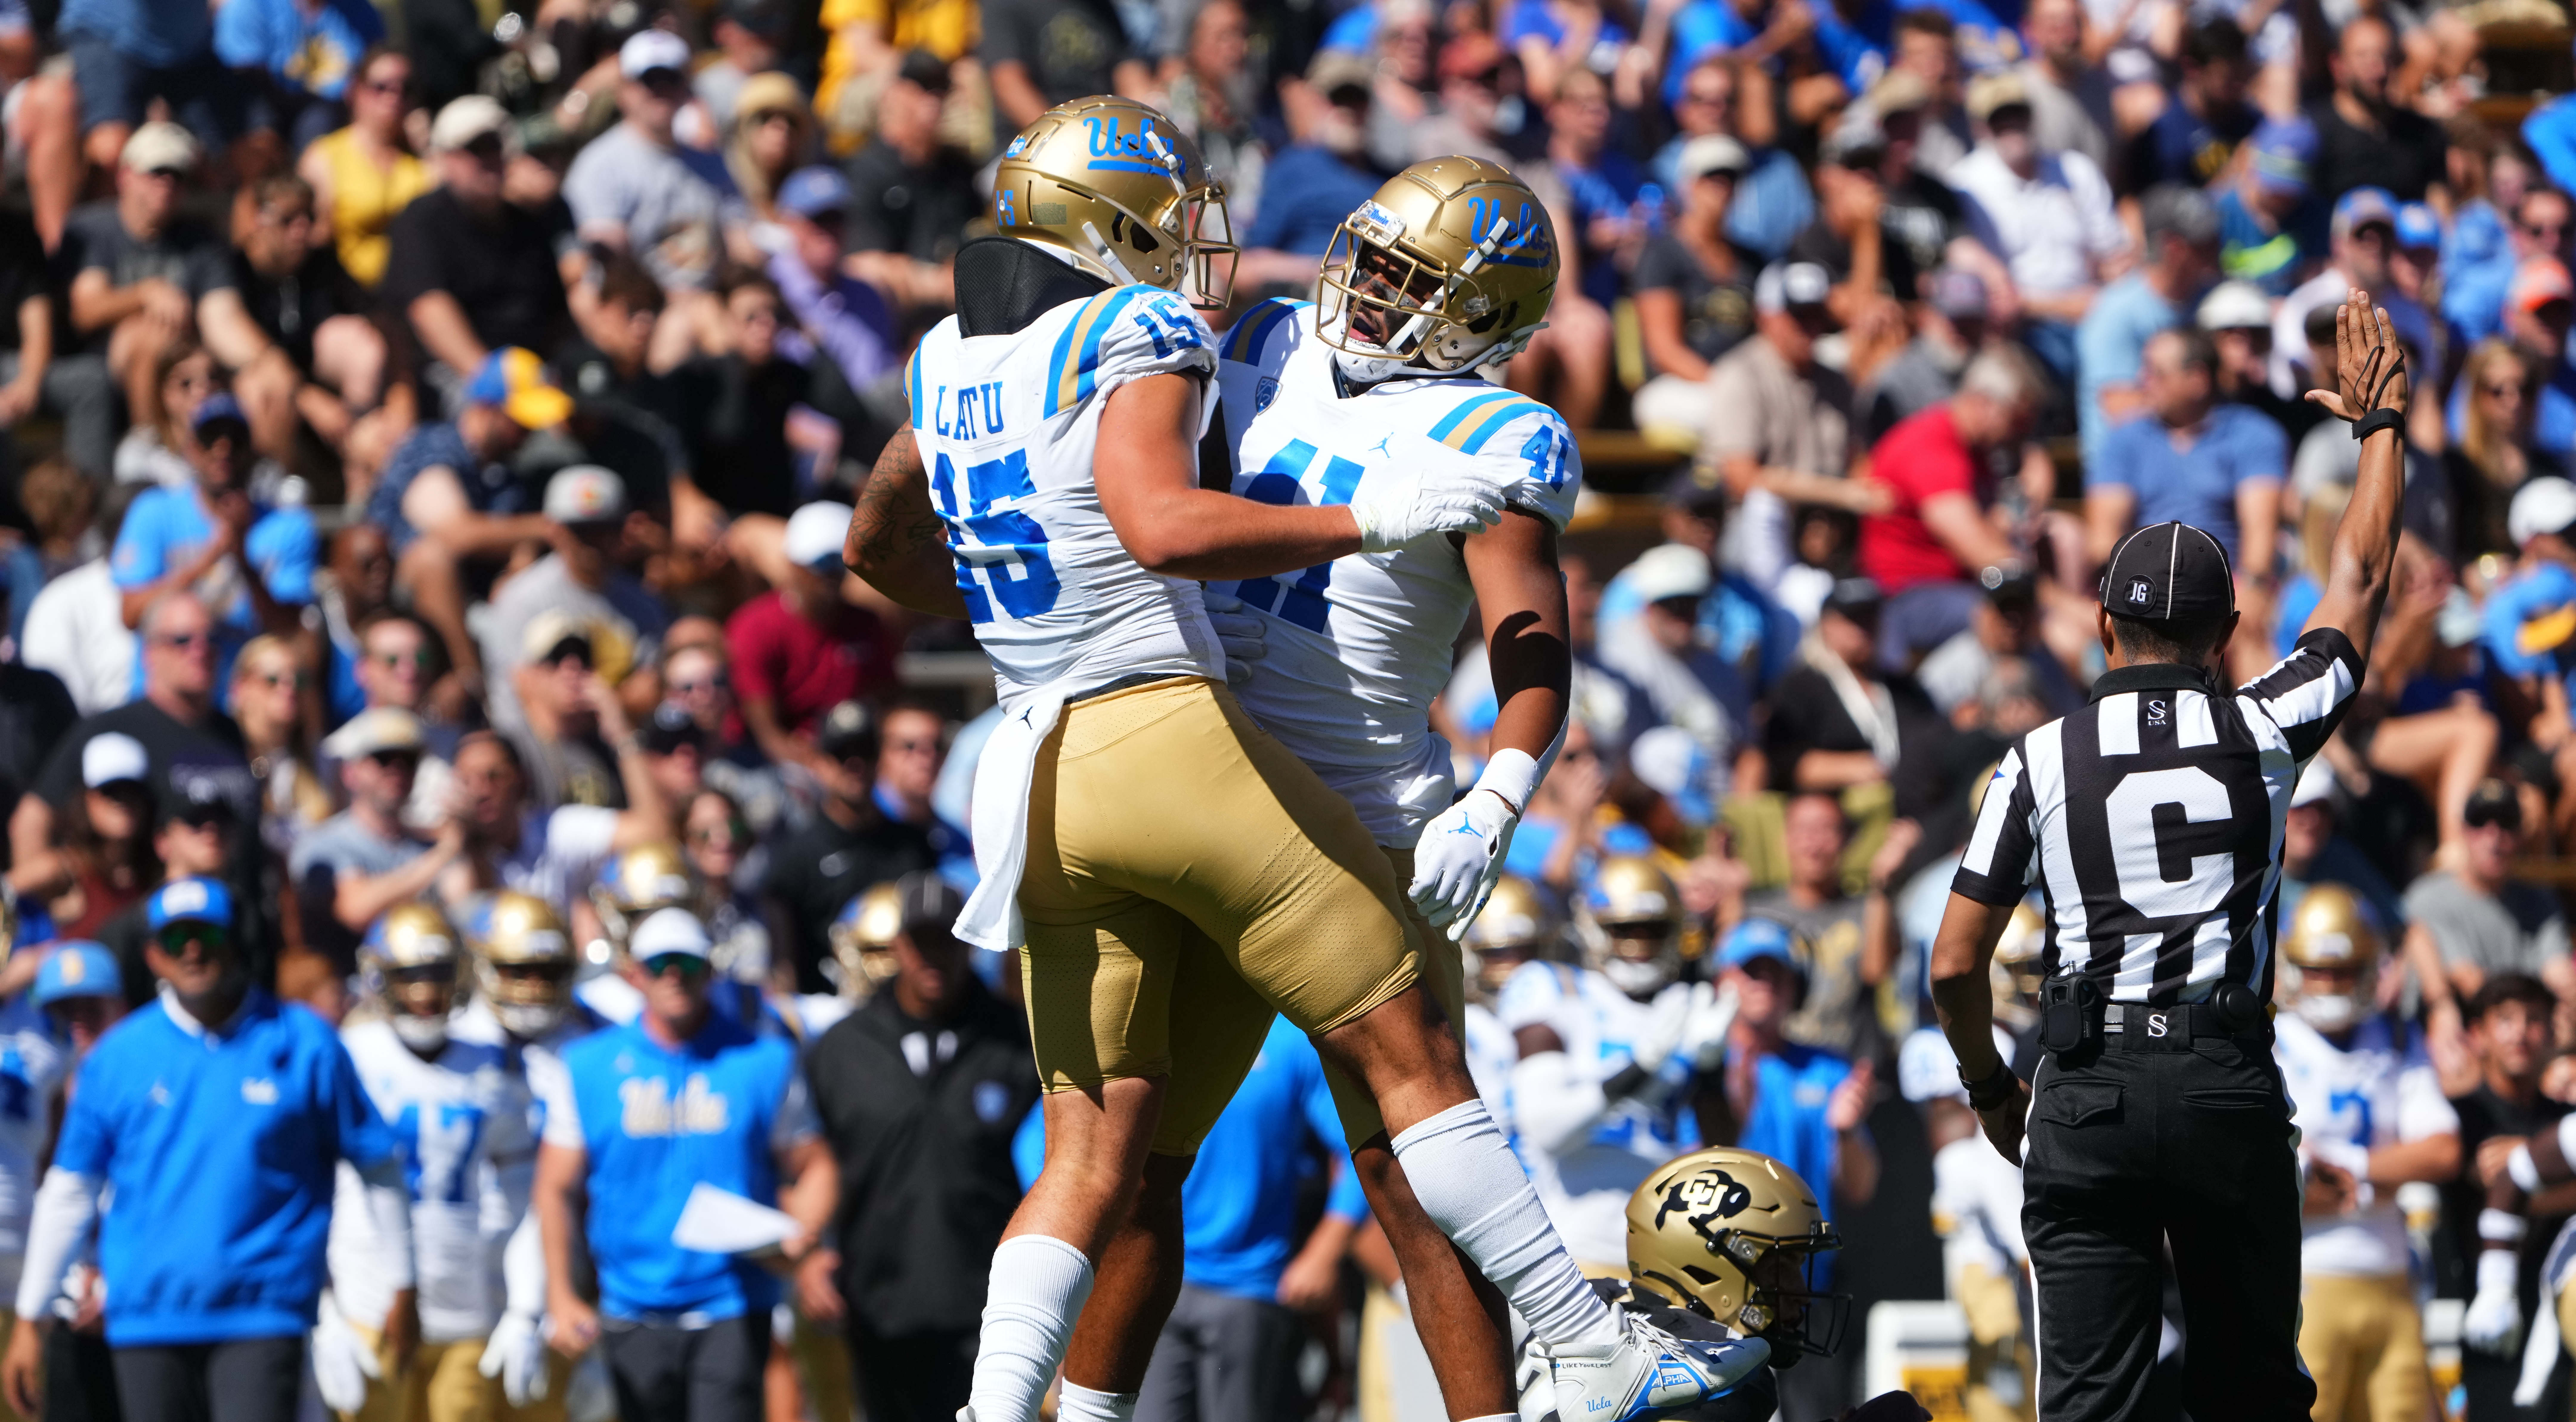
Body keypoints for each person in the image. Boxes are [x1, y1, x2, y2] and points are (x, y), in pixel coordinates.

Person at [846, 105, 1758, 1422]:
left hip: (1365, 811)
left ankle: (1491, 1411)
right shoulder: (1248, 340)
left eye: (1408, 283)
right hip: (1209, 778)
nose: (1369, 295)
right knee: (1148, 1164)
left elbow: (1530, 641)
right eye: (1370, 261)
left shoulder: (1500, 436)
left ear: (1482, 317)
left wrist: (1499, 791)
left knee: (1398, 1163)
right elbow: (1078, 485)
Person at [1929, 290, 2416, 1422]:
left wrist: (1993, 1087)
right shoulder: (2264, 726)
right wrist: (2378, 429)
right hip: (2220, 1082)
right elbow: (2361, 579)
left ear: (2103, 629)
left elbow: (1954, 961)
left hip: (2086, 1083)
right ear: (2229, 634)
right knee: (2249, 1397)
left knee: (2089, 1405)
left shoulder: (2038, 758)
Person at [0, 877, 415, 1422]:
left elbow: (376, 1163)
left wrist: (403, 1282)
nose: (193, 950)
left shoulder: (304, 1042)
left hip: (264, 1310)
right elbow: (69, 1191)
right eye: (177, 939)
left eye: (206, 934)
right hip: (146, 1316)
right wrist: (31, 1318)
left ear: (236, 940)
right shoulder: (119, 1056)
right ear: (153, 954)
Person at [531, 907, 839, 1422]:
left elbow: (814, 1164)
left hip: (733, 1300)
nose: (675, 976)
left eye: (689, 964)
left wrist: (800, 1235)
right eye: (660, 964)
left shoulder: (763, 1059)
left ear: (710, 971)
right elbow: (554, 1186)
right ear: (634, 973)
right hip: (630, 1300)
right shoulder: (587, 1065)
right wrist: (560, 1293)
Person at [803, 873, 1034, 1422]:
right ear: (900, 946)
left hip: (990, 1303)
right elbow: (814, 1161)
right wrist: (814, 1249)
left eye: (948, 941)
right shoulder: (842, 1048)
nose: (935, 957)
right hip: (878, 1299)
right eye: (922, 941)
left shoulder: (1017, 1042)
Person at [311, 902, 526, 1422]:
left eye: (436, 973)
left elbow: (525, 1194)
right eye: (410, 975)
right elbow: (308, 1188)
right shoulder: (350, 1052)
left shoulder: (492, 1060)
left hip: (466, 1304)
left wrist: (522, 1303)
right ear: (380, 977)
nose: (426, 992)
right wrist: (323, 1311)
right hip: (368, 1299)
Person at [2272, 885, 2460, 1422]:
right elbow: (2267, 1178)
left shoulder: (2397, 1037)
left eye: (2344, 968)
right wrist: (2388, 1174)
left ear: (2372, 966)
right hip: (2303, 1283)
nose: (2329, 983)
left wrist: (2350, 1170)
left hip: (2392, 1278)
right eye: (2316, 968)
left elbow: (2444, 1150)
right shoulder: (2269, 1043)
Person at [1499, 859, 1738, 1269]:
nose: (1640, 943)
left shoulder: (1684, 1006)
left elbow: (1724, 1153)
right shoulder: (1557, 988)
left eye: (1654, 929)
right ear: (1594, 927)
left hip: (1664, 1251)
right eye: (1625, 929)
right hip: (1570, 1247)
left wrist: (1711, 1071)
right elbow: (1547, 1128)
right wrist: (1641, 1067)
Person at [1129, 1019, 1369, 1422]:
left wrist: (1326, 1250)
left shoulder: (1291, 1040)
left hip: (1250, 1287)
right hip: (1152, 1275)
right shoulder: (1159, 1019)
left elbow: (1361, 1147)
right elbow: (1040, 1142)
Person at [365, 349, 572, 694]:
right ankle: (471, 687)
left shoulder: (506, 475)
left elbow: (512, 540)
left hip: (476, 599)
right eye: (518, 421)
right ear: (487, 409)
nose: (527, 433)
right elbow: (457, 534)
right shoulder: (433, 446)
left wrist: (521, 557)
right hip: (395, 589)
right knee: (434, 557)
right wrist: (544, 527)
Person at [109, 393, 315, 693]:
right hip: (165, 699)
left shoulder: (290, 526)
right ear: (191, 449)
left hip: (244, 703)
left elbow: (289, 630)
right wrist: (210, 558)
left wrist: (243, 560)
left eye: (235, 437)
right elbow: (131, 614)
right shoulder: (153, 512)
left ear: (252, 450)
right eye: (210, 438)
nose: (223, 448)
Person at [1857, 351, 2045, 668]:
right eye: (2016, 419)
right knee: (2020, 621)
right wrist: (2060, 604)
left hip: (1958, 586)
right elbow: (1985, 554)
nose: (2021, 431)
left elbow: (1995, 529)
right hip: (1910, 597)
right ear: (1984, 403)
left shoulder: (1978, 452)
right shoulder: (1934, 448)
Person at [60, 124, 233, 457]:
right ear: (125, 176)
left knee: (210, 369)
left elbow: (225, 315)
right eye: (157, 172)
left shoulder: (201, 242)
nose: (167, 183)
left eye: (178, 175)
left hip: (187, 357)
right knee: (149, 335)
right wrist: (144, 293)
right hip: (104, 361)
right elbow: (85, 311)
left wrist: (266, 361)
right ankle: (151, 450)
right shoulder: (93, 229)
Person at [1945, 71, 2130, 378]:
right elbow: (1992, 292)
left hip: (2094, 309)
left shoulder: (2075, 169)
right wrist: (2064, 306)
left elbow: (2112, 252)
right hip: (2024, 324)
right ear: (1980, 128)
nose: (2012, 127)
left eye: (2019, 115)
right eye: (1999, 119)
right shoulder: (1965, 186)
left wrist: (2111, 292)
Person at [379, 97, 575, 384]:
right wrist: (493, 381)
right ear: (445, 158)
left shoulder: (528, 224)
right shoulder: (421, 221)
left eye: (494, 146)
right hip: (455, 376)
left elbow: (556, 315)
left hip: (535, 371)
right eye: (474, 149)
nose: (487, 159)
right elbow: (429, 309)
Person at [1702, 262, 1861, 592]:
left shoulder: (1835, 381)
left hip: (1826, 528)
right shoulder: (1740, 374)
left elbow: (1860, 462)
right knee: (1763, 508)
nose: (1810, 327)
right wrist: (1839, 495)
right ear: (1766, 316)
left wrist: (1836, 510)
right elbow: (1743, 479)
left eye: (1816, 315)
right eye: (1798, 316)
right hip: (1758, 536)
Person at [476, 468, 669, 735]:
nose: (593, 542)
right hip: (540, 753)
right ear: (553, 530)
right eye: (580, 530)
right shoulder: (520, 599)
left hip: (620, 749)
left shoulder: (644, 603)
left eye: (605, 528)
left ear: (625, 528)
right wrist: (614, 701)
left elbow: (649, 692)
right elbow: (524, 699)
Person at [758, 702, 935, 993]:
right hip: (827, 1005)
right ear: (820, 763)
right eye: (841, 755)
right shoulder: (796, 856)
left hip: (903, 1003)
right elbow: (783, 965)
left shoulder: (913, 845)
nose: (855, 765)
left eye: (865, 751)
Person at [2086, 328, 2286, 577]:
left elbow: (2260, 539)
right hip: (2144, 586)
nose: (2141, 380)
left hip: (2224, 589)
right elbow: (2104, 541)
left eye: (2155, 372)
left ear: (2197, 380)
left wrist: (2252, 588)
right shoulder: (2124, 440)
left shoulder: (2253, 435)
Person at [563, 31, 739, 297]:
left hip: (713, 299)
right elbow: (602, 266)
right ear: (625, 90)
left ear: (687, 87)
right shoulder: (599, 165)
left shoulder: (713, 161)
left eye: (671, 79)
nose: (661, 90)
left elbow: (741, 241)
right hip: (645, 307)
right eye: (649, 80)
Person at [727, 502, 895, 776]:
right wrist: (821, 770)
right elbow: (769, 735)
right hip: (772, 766)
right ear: (794, 565)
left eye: (839, 564)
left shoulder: (868, 625)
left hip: (853, 758)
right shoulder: (755, 627)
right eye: (821, 563)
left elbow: (886, 705)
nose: (830, 576)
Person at [2399, 780, 2572, 1031]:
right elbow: (2471, 983)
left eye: (2506, 824)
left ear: (2521, 835)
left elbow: (2561, 975)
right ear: (2464, 831)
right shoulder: (2428, 898)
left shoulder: (2541, 902)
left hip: (2527, 1036)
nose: (2494, 837)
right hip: (2463, 1038)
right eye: (2481, 823)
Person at [1746, 794, 1904, 1061]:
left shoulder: (1869, 908)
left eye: (1826, 830)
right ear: (1785, 839)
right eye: (1805, 830)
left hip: (1852, 1073)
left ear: (1846, 840)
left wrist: (1882, 884)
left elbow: (1877, 971)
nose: (1815, 844)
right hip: (1780, 1076)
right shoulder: (1758, 914)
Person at [2074, 185, 2221, 471]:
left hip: (2201, 452)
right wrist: (2194, 388)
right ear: (2172, 247)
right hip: (2131, 469)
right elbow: (2118, 408)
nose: (2217, 250)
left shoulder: (2214, 299)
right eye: (2204, 243)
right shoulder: (2116, 311)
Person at [292, 709, 436, 971]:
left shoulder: (428, 845)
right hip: (354, 996)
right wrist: (444, 854)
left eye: (409, 759)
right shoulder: (323, 843)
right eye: (383, 758)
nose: (397, 769)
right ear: (350, 773)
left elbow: (466, 909)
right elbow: (356, 910)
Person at [297, 47, 429, 291]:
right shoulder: (324, 157)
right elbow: (314, 243)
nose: (395, 96)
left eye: (406, 88)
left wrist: (430, 149)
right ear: (354, 91)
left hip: (428, 288)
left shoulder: (422, 155)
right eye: (381, 87)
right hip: (361, 296)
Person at [2308, 16, 2447, 205]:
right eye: (2363, 56)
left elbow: (2440, 210)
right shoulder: (2314, 133)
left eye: (2386, 56)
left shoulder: (2423, 134)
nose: (2378, 68)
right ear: (2338, 65)